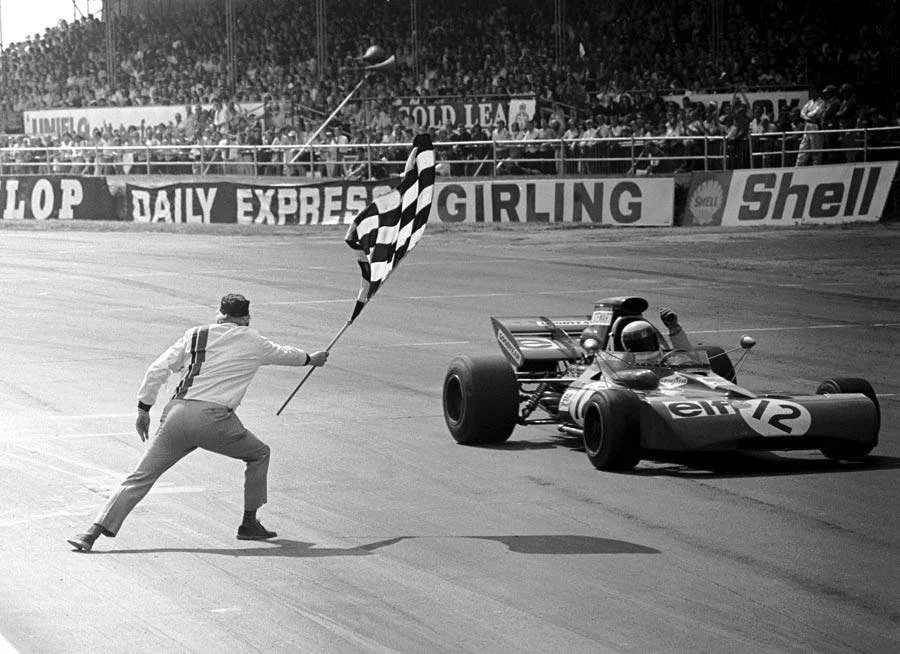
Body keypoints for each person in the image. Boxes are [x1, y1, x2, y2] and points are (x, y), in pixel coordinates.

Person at [67, 293, 329, 552]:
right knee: (259, 454)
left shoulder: (195, 335)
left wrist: (143, 408)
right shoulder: (253, 339)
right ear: (246, 318)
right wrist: (310, 358)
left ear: (220, 315)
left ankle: (91, 533)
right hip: (214, 419)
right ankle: (249, 523)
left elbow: (157, 369)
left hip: (176, 416)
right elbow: (284, 354)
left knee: (140, 477)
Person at [618, 307, 692, 364]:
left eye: (648, 341)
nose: (645, 346)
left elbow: (690, 359)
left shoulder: (667, 359)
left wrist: (674, 328)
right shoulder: (624, 368)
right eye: (639, 344)